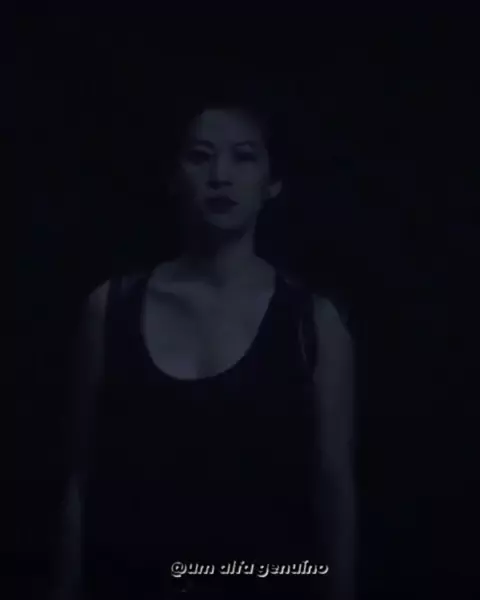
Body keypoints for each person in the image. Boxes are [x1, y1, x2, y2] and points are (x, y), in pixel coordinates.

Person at [53, 80, 355, 599]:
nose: (220, 176)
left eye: (243, 157)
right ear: (174, 176)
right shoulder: (111, 308)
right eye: (200, 156)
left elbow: (334, 487)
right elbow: (81, 476)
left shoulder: (312, 323)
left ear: (272, 182)